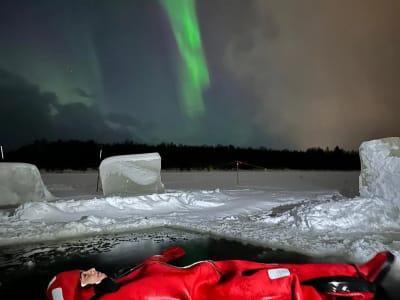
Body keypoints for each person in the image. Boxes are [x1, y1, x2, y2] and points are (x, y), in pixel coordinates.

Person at [46, 246, 394, 300]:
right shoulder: (116, 297)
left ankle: (357, 270)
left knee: (290, 269)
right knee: (286, 287)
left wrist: (168, 254)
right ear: (82, 295)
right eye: (84, 276)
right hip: (222, 292)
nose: (91, 270)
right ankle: (358, 292)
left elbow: (151, 266)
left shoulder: (120, 279)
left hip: (219, 270)